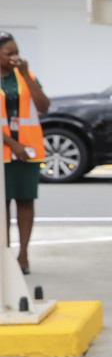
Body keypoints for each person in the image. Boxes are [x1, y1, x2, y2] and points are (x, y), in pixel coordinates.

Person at [0, 32, 49, 276]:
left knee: (26, 200)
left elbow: (44, 106)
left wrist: (26, 76)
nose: (14, 57)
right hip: (4, 151)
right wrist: (12, 144)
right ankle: (4, 254)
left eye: (17, 52)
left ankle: (23, 255)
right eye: (8, 53)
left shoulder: (26, 76)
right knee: (3, 205)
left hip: (27, 151)